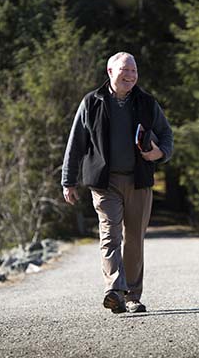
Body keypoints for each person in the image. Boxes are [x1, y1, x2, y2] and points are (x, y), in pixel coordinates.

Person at [61, 52, 173, 314]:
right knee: (110, 235)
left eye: (134, 71)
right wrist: (69, 180)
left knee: (134, 239)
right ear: (110, 71)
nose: (131, 76)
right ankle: (114, 289)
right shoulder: (92, 102)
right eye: (125, 70)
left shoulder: (147, 103)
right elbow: (75, 143)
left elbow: (167, 134)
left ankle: (132, 296)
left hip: (139, 181)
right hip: (104, 183)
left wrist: (160, 153)